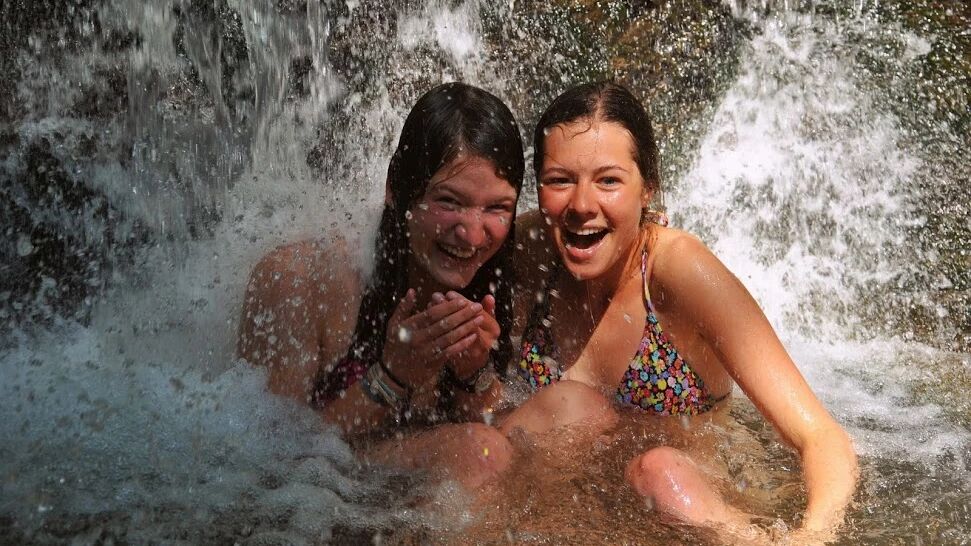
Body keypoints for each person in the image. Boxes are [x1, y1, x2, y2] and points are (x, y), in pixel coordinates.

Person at [500, 81, 858, 540]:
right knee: (555, 413)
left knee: (660, 472)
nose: (582, 206)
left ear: (647, 188)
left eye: (609, 181)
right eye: (559, 180)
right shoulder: (527, 249)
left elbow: (822, 437)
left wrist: (814, 536)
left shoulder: (678, 271)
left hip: (691, 508)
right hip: (566, 508)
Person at [237, 82, 524, 488]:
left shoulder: (511, 274)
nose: (473, 235)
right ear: (395, 187)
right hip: (323, 492)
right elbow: (265, 458)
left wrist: (473, 372)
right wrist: (391, 377)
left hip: (409, 490)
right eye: (449, 201)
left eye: (497, 207)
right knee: (479, 452)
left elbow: (510, 432)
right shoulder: (299, 281)